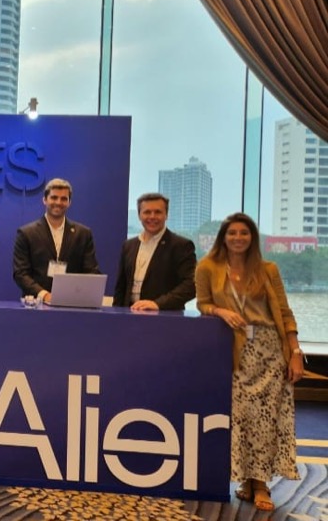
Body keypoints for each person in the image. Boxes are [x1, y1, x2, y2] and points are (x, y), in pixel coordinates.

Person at [196, 212, 302, 512]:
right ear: (223, 237)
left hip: (269, 352)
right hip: (234, 353)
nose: (238, 238)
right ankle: (245, 480)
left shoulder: (268, 269)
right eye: (232, 233)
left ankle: (261, 483)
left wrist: (295, 352)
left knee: (265, 421)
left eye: (244, 233)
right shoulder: (207, 267)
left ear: (252, 238)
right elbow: (202, 303)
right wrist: (221, 311)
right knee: (241, 419)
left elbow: (285, 312)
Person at [12, 178, 99, 304]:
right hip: (37, 304)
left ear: (69, 202)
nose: (58, 202)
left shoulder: (83, 234)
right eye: (54, 198)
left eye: (64, 199)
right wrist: (45, 295)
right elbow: (20, 273)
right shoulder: (26, 233)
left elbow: (92, 271)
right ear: (44, 200)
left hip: (72, 304)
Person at [113, 192, 197, 311]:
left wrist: (158, 304)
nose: (152, 216)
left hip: (164, 316)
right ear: (139, 215)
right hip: (130, 315)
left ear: (166, 215)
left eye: (158, 212)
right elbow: (121, 287)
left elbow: (191, 285)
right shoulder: (128, 245)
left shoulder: (181, 246)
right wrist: (116, 315)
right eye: (147, 212)